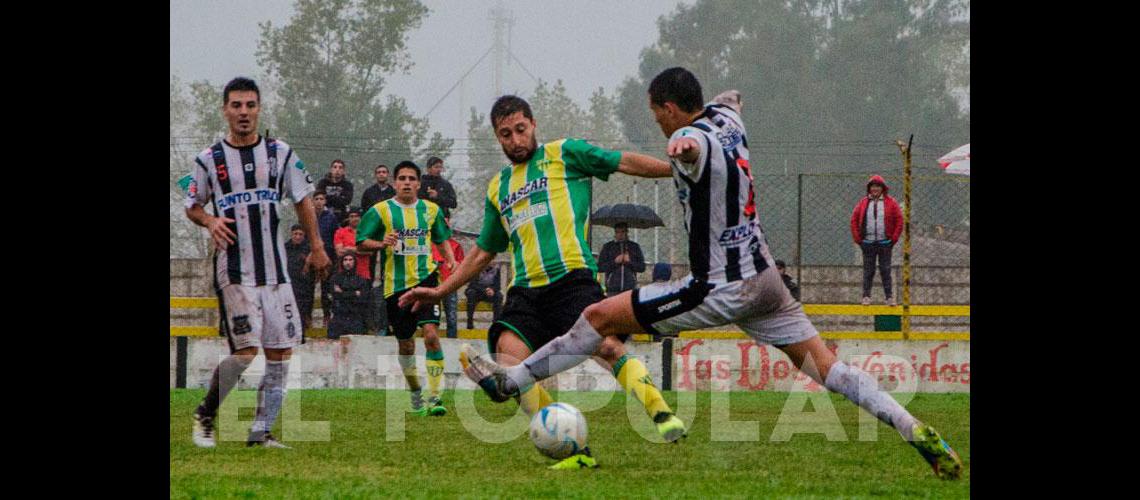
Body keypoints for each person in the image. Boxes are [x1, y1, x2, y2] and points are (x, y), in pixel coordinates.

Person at [455, 68, 963, 480]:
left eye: (658, 115)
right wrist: (718, 106)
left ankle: (509, 382)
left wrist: (682, 147)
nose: (658, 127)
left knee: (595, 318)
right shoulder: (727, 118)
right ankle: (911, 426)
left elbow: (690, 149)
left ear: (670, 110)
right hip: (768, 281)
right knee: (829, 370)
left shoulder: (689, 140)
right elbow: (733, 97)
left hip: (721, 287)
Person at [399, 94, 684, 469]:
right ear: (497, 138)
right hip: (526, 291)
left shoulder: (564, 153)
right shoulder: (498, 187)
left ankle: (662, 414)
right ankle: (574, 453)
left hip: (572, 279)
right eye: (505, 134)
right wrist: (440, 290)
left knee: (609, 348)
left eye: (520, 129)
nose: (515, 140)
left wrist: (677, 170)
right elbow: (484, 250)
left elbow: (622, 161)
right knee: (509, 361)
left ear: (532, 124)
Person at [185, 77, 331, 449]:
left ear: (259, 108)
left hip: (276, 272)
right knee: (247, 351)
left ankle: (260, 432)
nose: (244, 112)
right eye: (236, 105)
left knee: (281, 351)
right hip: (234, 270)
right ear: (225, 110)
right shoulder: (208, 160)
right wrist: (210, 220)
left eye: (250, 105)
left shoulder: (280, 153)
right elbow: (193, 205)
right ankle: (206, 412)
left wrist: (317, 246)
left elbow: (302, 198)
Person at [356, 161, 455, 417]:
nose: (407, 182)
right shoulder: (381, 211)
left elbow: (441, 238)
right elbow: (361, 243)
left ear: (419, 184)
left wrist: (451, 261)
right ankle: (415, 392)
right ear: (394, 182)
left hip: (427, 280)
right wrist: (381, 243)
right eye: (402, 178)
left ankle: (435, 396)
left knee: (431, 335)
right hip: (396, 287)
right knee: (407, 345)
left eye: (412, 178)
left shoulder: (431, 210)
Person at [850, 175, 903, 306]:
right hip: (867, 243)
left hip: (885, 243)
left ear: (883, 188)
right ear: (869, 188)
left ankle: (889, 297)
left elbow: (899, 220)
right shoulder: (863, 203)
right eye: (873, 186)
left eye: (878, 186)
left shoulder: (891, 203)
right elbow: (854, 220)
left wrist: (893, 238)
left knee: (885, 270)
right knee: (868, 270)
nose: (875, 189)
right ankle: (866, 296)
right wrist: (858, 239)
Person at [431, 217, 465, 338]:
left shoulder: (456, 245)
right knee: (433, 317)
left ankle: (452, 340)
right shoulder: (430, 244)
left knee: (451, 316)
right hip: (433, 285)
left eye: (445, 226)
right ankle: (432, 340)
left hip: (450, 284)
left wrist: (454, 268)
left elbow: (461, 265)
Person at [596, 222, 646, 296]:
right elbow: (600, 267)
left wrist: (629, 262)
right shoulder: (608, 247)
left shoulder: (634, 247)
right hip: (612, 288)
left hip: (630, 288)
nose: (620, 234)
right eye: (617, 232)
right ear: (615, 233)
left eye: (623, 232)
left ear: (627, 232)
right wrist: (615, 262)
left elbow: (642, 267)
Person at [327, 253, 370, 339]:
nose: (348, 262)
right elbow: (334, 296)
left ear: (355, 262)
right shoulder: (335, 279)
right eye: (345, 260)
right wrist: (354, 293)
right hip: (339, 317)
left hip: (355, 317)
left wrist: (342, 293)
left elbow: (363, 299)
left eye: (350, 260)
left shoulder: (361, 280)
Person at [313, 190, 339, 328]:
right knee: (308, 288)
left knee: (326, 288)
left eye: (321, 199)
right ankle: (306, 317)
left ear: (325, 201)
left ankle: (327, 315)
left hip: (328, 256)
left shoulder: (331, 217)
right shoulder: (309, 216)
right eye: (316, 198)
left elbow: (336, 235)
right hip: (311, 255)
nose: (318, 201)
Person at [284, 224, 316, 330]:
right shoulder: (285, 247)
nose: (298, 237)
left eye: (300, 234)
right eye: (295, 234)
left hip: (304, 286)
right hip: (288, 284)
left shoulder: (309, 249)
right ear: (291, 234)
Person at [465, 264, 503, 330]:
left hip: (489, 292)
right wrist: (485, 290)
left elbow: (498, 285)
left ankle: (496, 322)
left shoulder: (496, 269)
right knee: (471, 293)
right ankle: (470, 320)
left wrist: (492, 290)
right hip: (478, 291)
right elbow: (472, 284)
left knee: (499, 296)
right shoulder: (477, 268)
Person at [316, 159, 354, 224]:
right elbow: (319, 198)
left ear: (343, 171)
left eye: (340, 167)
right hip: (323, 216)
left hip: (341, 217)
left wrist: (328, 197)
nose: (337, 170)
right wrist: (338, 198)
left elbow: (347, 200)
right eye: (335, 167)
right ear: (331, 169)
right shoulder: (323, 183)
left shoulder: (347, 185)